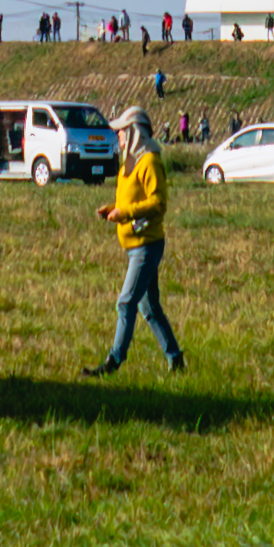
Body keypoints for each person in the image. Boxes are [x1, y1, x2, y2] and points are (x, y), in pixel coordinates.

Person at [89, 108, 182, 376]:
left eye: (121, 131)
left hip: (146, 245)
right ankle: (175, 359)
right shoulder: (131, 163)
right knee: (148, 306)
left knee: (126, 302)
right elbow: (130, 201)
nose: (117, 135)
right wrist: (114, 209)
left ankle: (113, 362)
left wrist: (125, 213)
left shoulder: (150, 162)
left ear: (133, 133)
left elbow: (158, 203)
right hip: (134, 246)